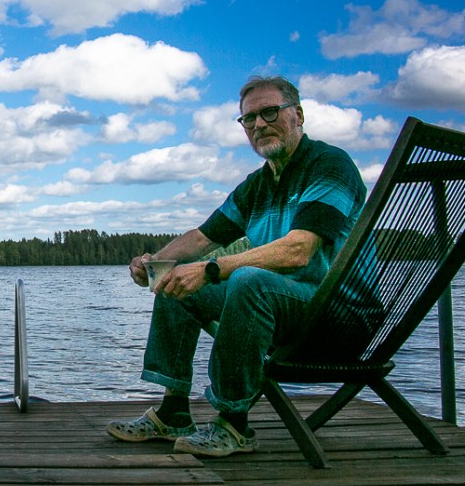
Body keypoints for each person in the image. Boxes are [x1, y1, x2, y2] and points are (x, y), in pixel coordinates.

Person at [106, 75, 367, 458]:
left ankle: (234, 423)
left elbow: (299, 251)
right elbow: (202, 237)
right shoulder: (257, 185)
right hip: (285, 308)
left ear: (298, 115)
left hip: (337, 317)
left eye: (269, 112)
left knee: (248, 280)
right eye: (249, 119)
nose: (259, 124)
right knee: (176, 283)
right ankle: (174, 412)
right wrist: (156, 262)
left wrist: (212, 269)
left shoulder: (329, 165)